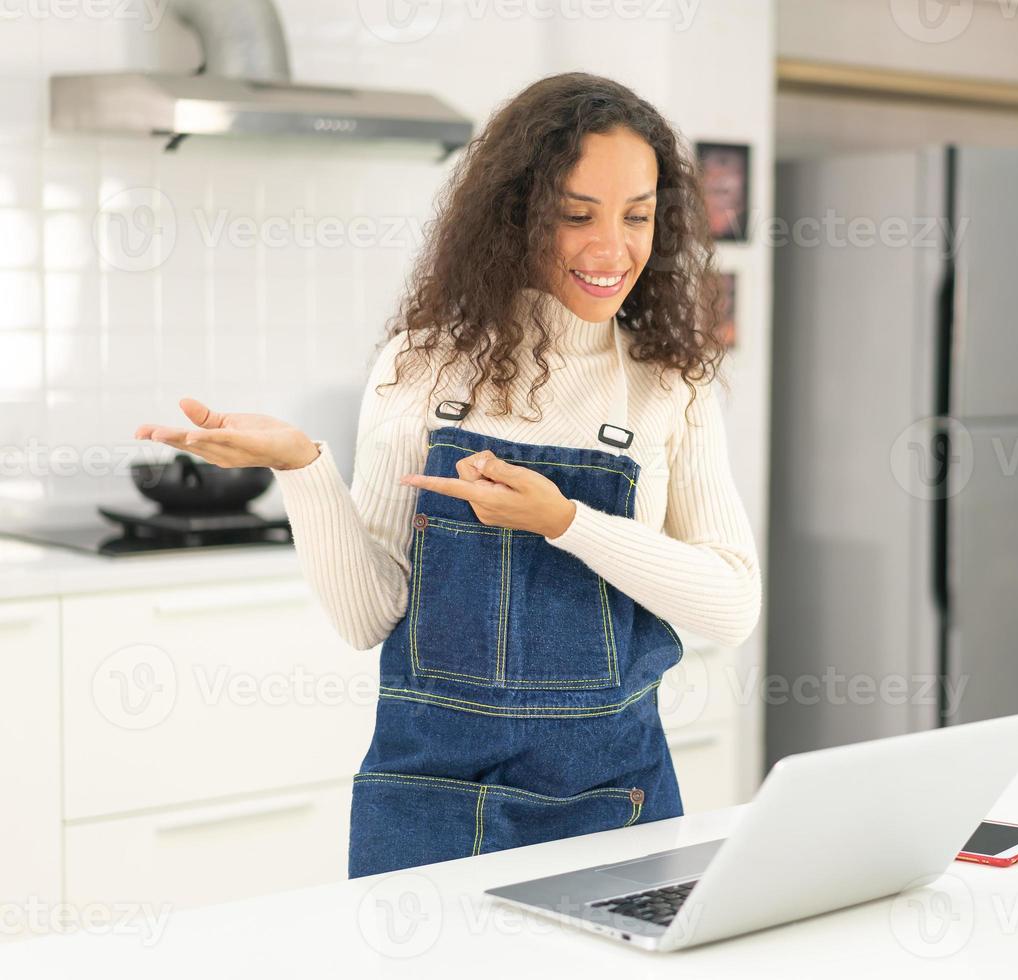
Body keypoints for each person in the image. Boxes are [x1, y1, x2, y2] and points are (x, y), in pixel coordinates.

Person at [134, 72, 762, 878]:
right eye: (577, 215)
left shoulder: (669, 382)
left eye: (637, 216)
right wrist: (304, 469)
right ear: (517, 214)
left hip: (613, 802)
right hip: (427, 806)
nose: (613, 248)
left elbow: (734, 603)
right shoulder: (424, 364)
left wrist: (564, 521)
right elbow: (371, 615)